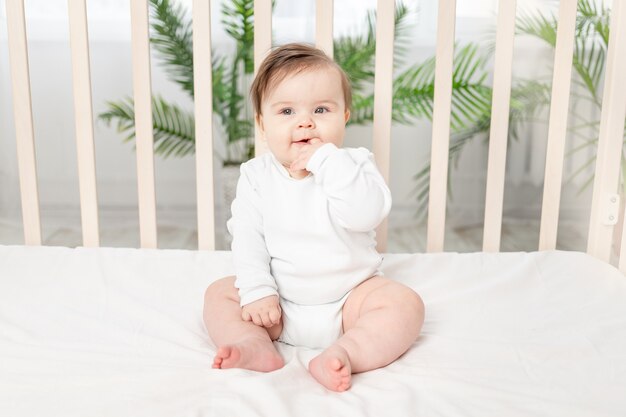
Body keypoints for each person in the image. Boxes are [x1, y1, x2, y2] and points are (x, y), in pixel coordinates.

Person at [203, 43, 424, 392]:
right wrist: (258, 291)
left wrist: (326, 161)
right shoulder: (256, 175)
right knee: (219, 295)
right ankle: (255, 345)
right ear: (262, 124)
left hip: (350, 301)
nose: (305, 121)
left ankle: (346, 352)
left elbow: (365, 215)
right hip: (277, 306)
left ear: (345, 116)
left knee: (404, 304)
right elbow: (247, 238)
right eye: (287, 111)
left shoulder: (354, 164)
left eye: (321, 109)